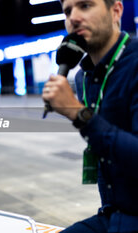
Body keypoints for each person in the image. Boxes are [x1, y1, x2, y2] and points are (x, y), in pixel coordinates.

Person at [42, 0, 138, 232]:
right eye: (67, 10)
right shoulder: (85, 77)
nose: (73, 17)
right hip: (114, 213)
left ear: (116, 10)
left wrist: (79, 113)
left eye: (85, 6)